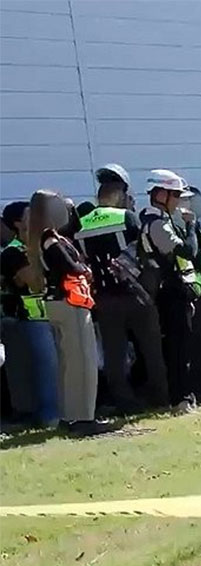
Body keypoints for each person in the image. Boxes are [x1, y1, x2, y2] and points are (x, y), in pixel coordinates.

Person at [72, 164, 169, 412]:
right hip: (135, 294)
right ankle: (160, 397)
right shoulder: (126, 217)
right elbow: (145, 252)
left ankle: (124, 402)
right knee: (151, 349)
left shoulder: (83, 222)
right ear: (122, 194)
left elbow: (82, 259)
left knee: (114, 354)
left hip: (104, 298)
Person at [32, 190, 111, 435]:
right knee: (83, 363)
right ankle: (83, 417)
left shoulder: (42, 237)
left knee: (68, 365)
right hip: (70, 303)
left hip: (59, 303)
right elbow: (70, 267)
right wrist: (84, 269)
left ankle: (69, 415)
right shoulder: (51, 240)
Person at [139, 169, 201, 412]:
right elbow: (188, 251)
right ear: (161, 195)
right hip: (170, 293)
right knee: (177, 349)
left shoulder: (163, 221)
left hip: (178, 291)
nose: (179, 201)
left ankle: (184, 396)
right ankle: (180, 399)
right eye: (176, 195)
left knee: (183, 347)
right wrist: (191, 226)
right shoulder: (157, 224)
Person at [1, 199, 58, 427]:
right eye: (29, 215)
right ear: (17, 223)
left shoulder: (42, 244)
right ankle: (49, 416)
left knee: (58, 366)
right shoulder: (13, 252)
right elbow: (35, 283)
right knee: (46, 367)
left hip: (54, 312)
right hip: (31, 318)